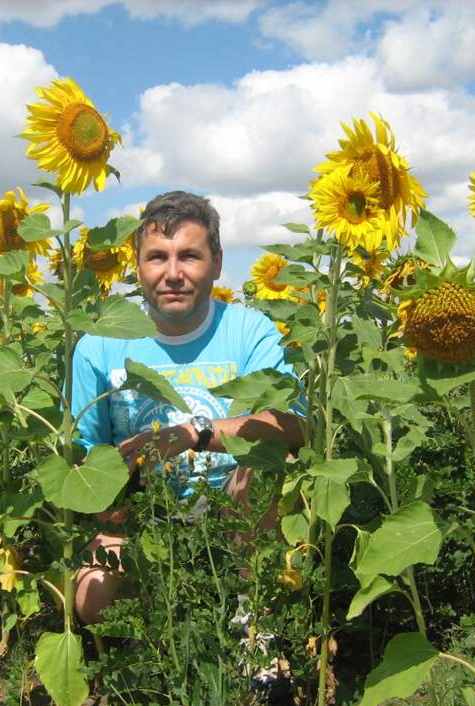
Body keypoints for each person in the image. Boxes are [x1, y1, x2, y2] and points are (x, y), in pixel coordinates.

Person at [71, 190, 303, 624]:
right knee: (90, 598)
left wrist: (196, 433)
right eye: (158, 257)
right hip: (140, 516)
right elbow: (84, 452)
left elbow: (291, 425)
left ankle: (255, 626)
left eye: (190, 257)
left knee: (269, 467)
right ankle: (163, 634)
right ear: (137, 265)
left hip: (231, 509)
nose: (173, 274)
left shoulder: (249, 331)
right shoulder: (99, 344)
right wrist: (108, 497)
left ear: (216, 263)